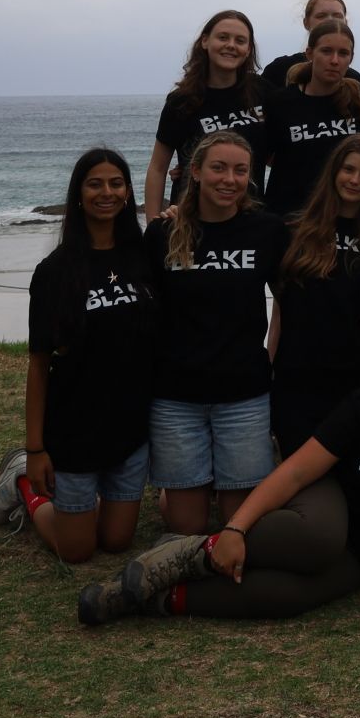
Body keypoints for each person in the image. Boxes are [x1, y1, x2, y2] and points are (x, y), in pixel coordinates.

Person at [78, 315, 360, 623]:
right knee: (317, 540)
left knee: (290, 597)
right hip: (327, 501)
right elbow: (294, 474)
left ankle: (144, 598)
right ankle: (195, 550)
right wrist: (234, 530)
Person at [0, 148, 156, 562]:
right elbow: (40, 366)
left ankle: (76, 505)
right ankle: (24, 483)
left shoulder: (146, 256)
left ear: (129, 192)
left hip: (130, 428)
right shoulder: (54, 272)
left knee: (116, 543)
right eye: (94, 183)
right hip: (75, 429)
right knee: (76, 551)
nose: (107, 192)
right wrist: (38, 448)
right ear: (78, 194)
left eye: (116, 183)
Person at [143, 131, 287, 537]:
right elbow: (144, 312)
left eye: (240, 170)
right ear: (196, 172)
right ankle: (185, 484)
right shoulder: (162, 234)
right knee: (188, 526)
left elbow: (287, 303)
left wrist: (269, 361)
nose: (230, 179)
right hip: (176, 396)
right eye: (219, 168)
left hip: (244, 394)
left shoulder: (266, 231)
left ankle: (208, 477)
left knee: (236, 521)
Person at [269, 135, 360, 455]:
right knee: (302, 480)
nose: (355, 180)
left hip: (356, 380)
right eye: (348, 169)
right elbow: (281, 311)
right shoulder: (293, 229)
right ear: (333, 171)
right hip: (297, 380)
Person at [255, 18, 360, 219]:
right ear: (310, 53)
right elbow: (262, 156)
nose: (335, 60)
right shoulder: (281, 102)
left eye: (343, 53)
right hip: (290, 216)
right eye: (326, 51)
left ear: (351, 58)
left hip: (343, 218)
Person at [146, 10, 262, 220]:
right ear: (205, 41)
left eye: (240, 40)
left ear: (248, 49)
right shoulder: (181, 100)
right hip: (189, 217)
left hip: (250, 218)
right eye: (223, 37)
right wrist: (153, 226)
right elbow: (158, 167)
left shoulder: (263, 92)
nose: (231, 45)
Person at [259, 0, 360, 96]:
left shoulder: (353, 78)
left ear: (345, 22)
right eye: (321, 16)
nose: (330, 20)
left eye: (337, 16)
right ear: (306, 22)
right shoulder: (279, 69)